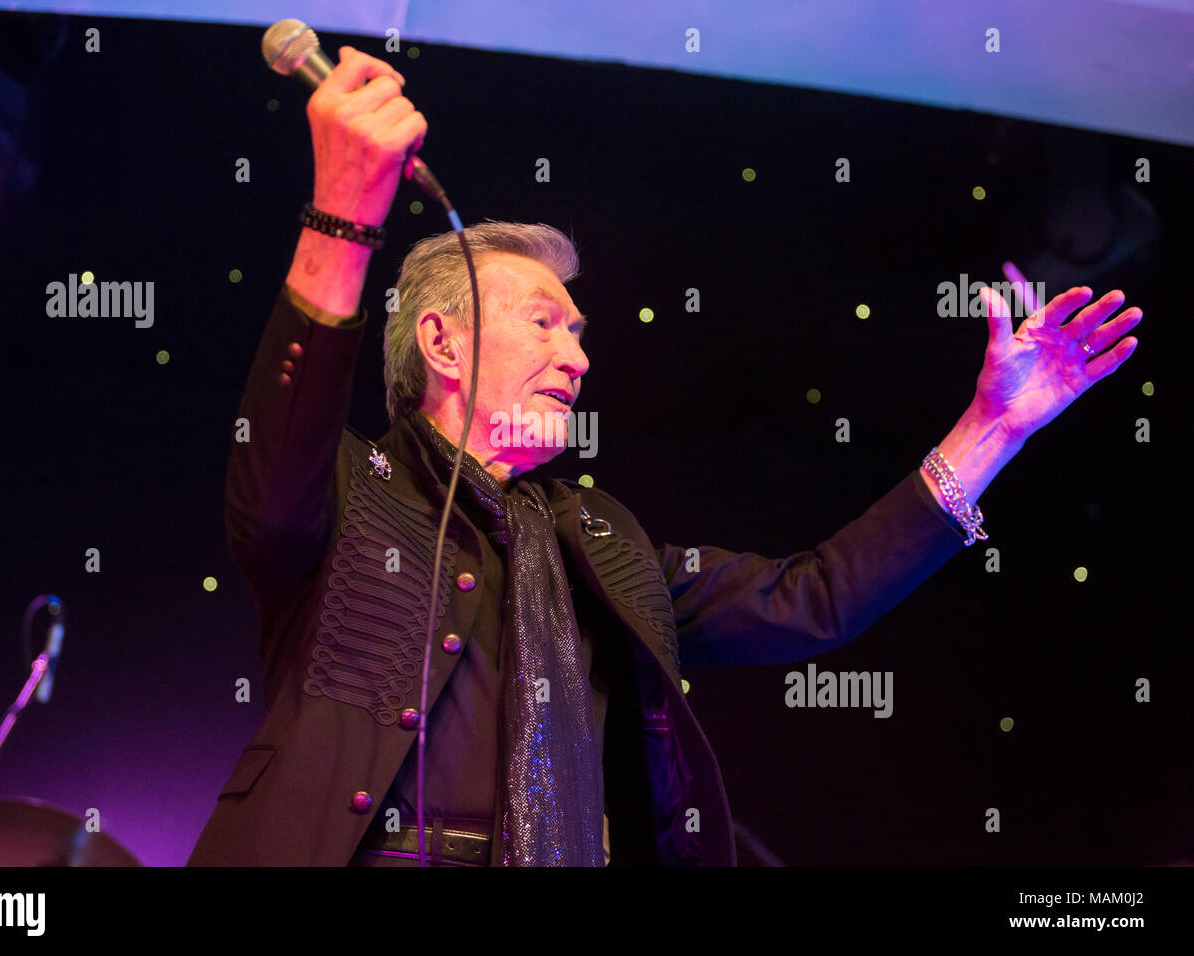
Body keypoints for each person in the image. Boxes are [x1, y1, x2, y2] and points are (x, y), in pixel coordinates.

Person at [186, 46, 1142, 867]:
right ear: (441, 343)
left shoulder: (598, 542)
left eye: (580, 329)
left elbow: (815, 598)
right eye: (544, 322)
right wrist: (345, 214)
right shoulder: (349, 493)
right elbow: (279, 461)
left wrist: (994, 429)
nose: (579, 353)